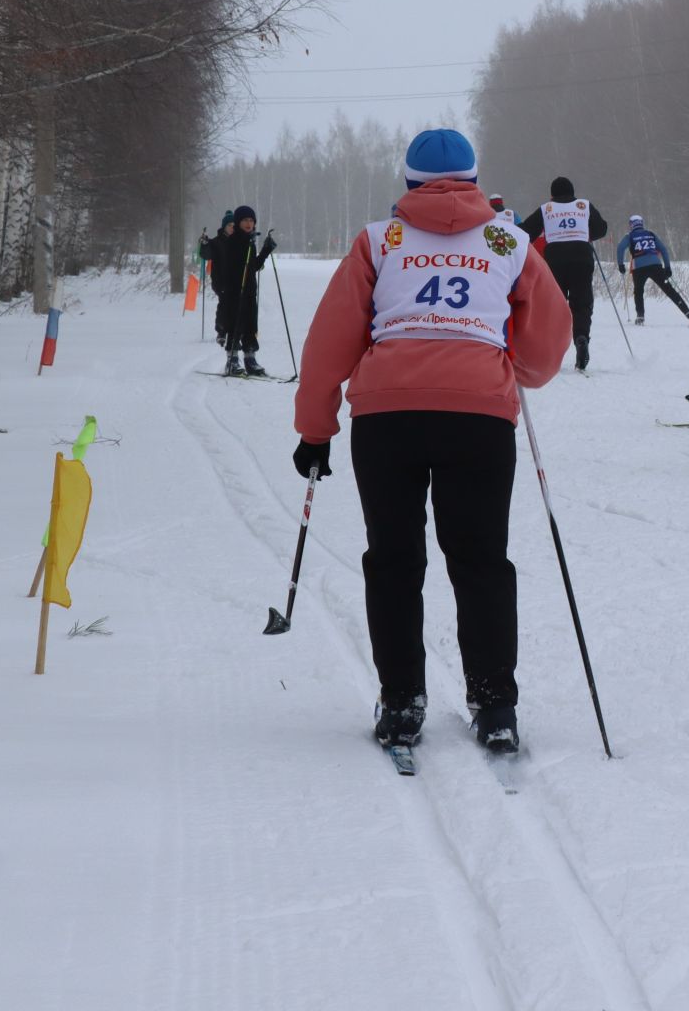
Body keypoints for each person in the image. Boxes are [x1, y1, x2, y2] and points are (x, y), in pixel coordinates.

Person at [290, 128, 570, 754]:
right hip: (479, 417)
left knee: (393, 561)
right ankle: (495, 705)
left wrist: (315, 430)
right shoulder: (510, 240)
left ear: (409, 182)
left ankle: (400, 703)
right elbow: (548, 342)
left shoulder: (379, 241)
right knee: (480, 561)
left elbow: (329, 343)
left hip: (388, 419)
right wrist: (513, 365)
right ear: (474, 179)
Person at [518, 177, 608, 372]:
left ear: (552, 194)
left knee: (555, 304)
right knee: (582, 303)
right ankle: (581, 338)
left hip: (556, 258)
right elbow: (601, 229)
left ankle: (550, 352)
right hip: (582, 257)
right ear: (573, 192)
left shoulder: (546, 209)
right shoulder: (584, 205)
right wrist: (585, 232)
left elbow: (525, 232)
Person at [206, 205, 276, 375]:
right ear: (238, 222)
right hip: (235, 290)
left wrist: (266, 250)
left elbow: (253, 267)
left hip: (250, 290)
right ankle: (232, 360)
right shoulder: (234, 241)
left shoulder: (250, 242)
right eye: (245, 220)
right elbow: (232, 267)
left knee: (251, 324)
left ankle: (250, 359)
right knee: (235, 323)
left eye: (251, 220)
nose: (248, 223)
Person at [615, 214, 689, 325]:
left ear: (631, 225)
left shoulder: (629, 236)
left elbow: (620, 248)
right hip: (656, 266)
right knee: (670, 290)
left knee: (638, 291)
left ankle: (640, 316)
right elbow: (664, 250)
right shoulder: (651, 234)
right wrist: (667, 267)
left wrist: (620, 264)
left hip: (639, 268)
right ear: (642, 223)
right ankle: (688, 312)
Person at [197, 210, 235, 345]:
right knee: (224, 303)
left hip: (236, 280)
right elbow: (206, 255)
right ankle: (221, 331)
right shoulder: (216, 242)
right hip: (221, 280)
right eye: (230, 225)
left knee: (237, 305)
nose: (232, 228)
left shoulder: (239, 241)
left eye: (234, 225)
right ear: (224, 226)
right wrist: (204, 244)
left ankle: (235, 331)